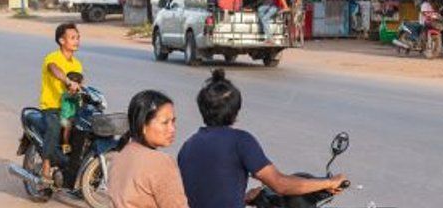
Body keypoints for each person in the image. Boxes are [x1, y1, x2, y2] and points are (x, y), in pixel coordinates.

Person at [177, 69, 346, 208]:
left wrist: (243, 198)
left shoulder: (187, 146)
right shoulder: (240, 141)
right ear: (236, 111)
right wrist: (329, 183)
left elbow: (207, 191)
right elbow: (281, 184)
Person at [109, 90, 190, 208]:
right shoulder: (160, 162)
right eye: (165, 122)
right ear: (143, 126)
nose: (172, 129)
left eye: (173, 121)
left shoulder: (120, 154)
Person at [38, 22, 85, 179]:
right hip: (52, 107)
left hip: (70, 107)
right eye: (72, 38)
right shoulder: (53, 57)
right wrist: (67, 81)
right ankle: (46, 163)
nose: (76, 40)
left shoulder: (77, 64)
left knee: (85, 129)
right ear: (61, 41)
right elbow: (54, 69)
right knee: (55, 126)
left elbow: (80, 83)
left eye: (78, 37)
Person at [60, 71, 86, 157]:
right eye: (79, 83)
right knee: (68, 126)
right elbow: (72, 96)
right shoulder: (66, 94)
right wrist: (78, 92)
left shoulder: (78, 94)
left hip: (75, 117)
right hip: (65, 117)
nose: (81, 85)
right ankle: (66, 145)